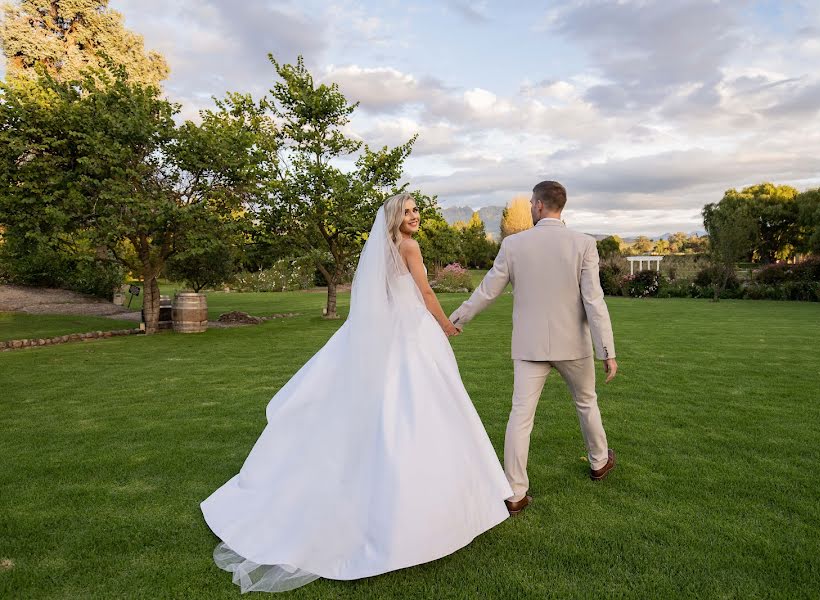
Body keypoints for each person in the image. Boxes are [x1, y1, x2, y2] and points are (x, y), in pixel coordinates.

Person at [201, 192, 512, 593]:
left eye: (418, 210)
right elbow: (426, 294)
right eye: (409, 210)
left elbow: (379, 299)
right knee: (422, 410)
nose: (416, 216)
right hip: (411, 334)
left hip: (391, 332)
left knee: (389, 406)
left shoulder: (382, 250)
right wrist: (446, 327)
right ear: (396, 217)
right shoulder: (409, 247)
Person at [449, 180, 618, 516]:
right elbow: (593, 301)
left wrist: (457, 319)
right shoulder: (584, 244)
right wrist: (607, 351)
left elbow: (487, 291)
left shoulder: (514, 245)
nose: (529, 207)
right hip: (574, 346)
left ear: (540, 205)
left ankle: (515, 493)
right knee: (586, 402)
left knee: (520, 417)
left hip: (529, 347)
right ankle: (599, 462)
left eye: (530, 203)